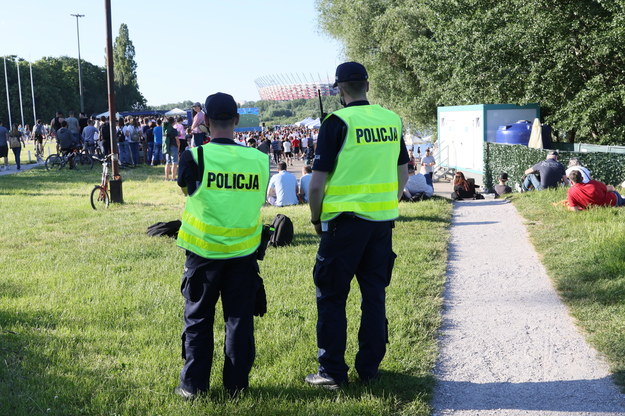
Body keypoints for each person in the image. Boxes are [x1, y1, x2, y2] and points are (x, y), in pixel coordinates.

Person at [305, 62, 409, 389]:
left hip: (343, 223)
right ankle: (369, 368)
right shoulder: (391, 120)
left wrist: (316, 218)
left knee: (332, 297)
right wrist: (386, 203)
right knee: (374, 295)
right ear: (367, 84)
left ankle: (332, 372)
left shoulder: (336, 122)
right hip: (381, 224)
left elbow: (317, 184)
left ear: (339, 89)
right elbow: (403, 171)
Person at [175, 92, 269, 399]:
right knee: (239, 322)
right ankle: (237, 387)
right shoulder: (259, 159)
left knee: (199, 321)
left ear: (205, 122)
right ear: (237, 121)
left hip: (204, 253)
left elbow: (186, 187)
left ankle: (193, 387)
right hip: (243, 254)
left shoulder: (195, 156)